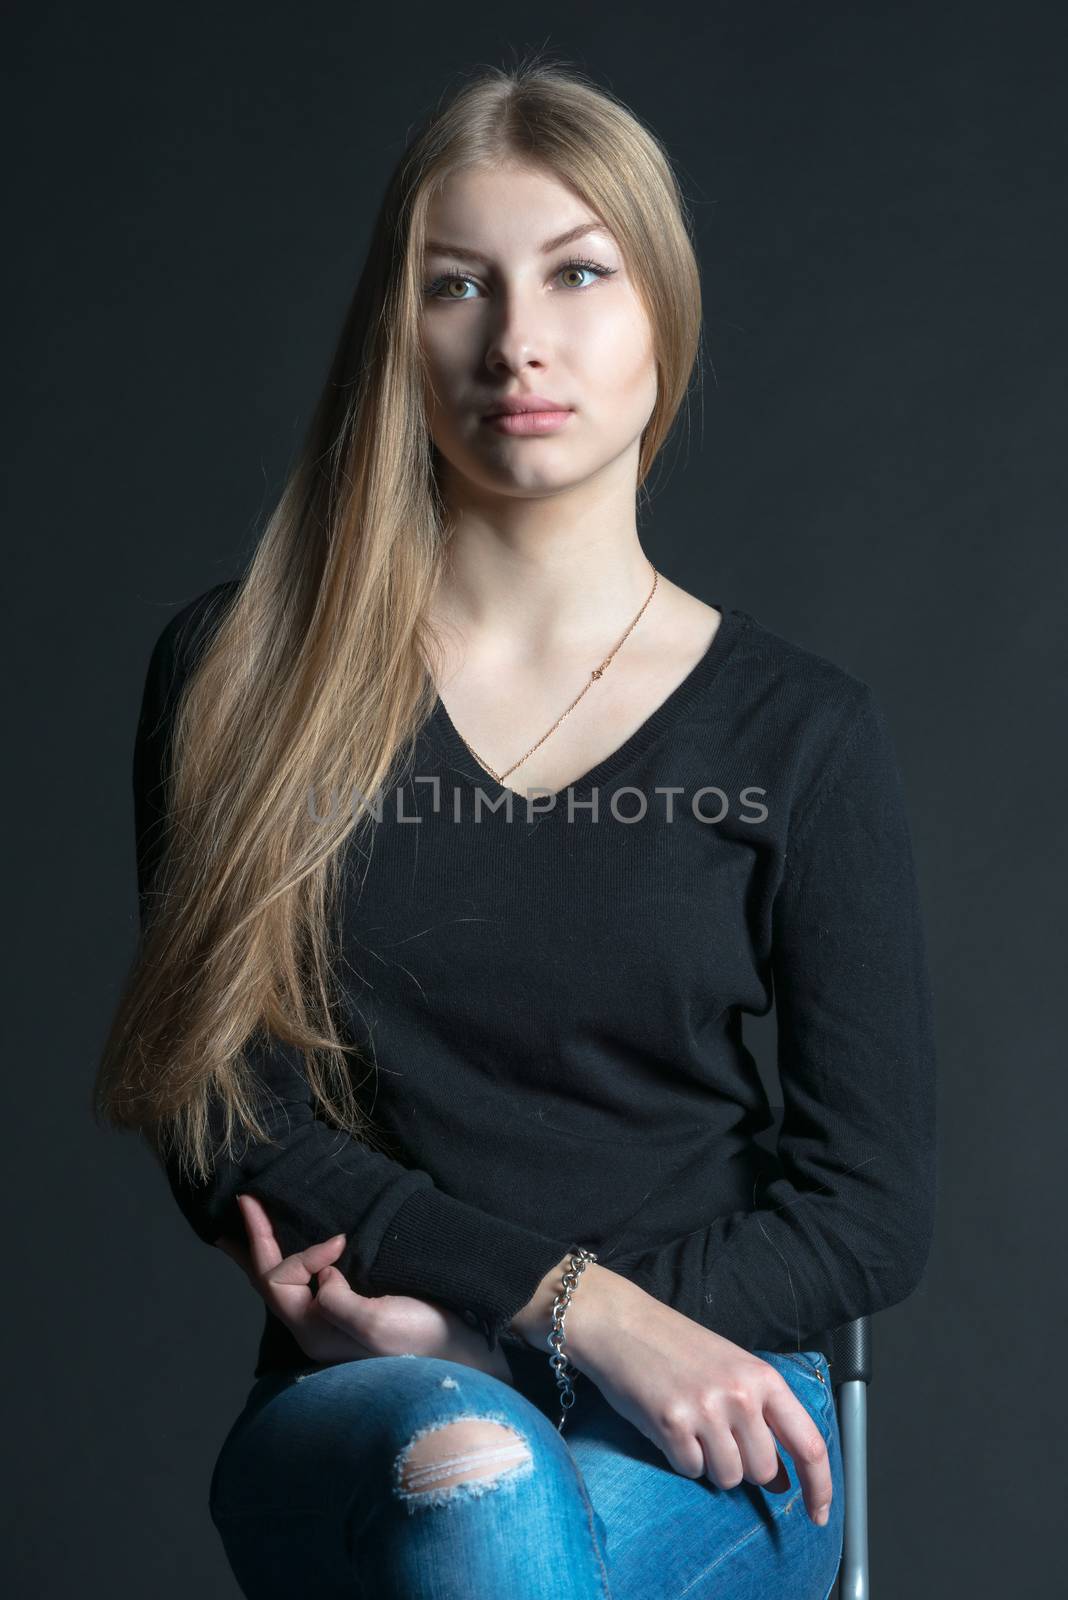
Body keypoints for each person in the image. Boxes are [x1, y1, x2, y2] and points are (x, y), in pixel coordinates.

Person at [96, 57, 937, 1600]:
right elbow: (226, 1117)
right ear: (395, 334)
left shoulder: (800, 733)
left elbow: (868, 1207)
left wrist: (535, 1324)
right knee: (479, 1485)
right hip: (376, 1394)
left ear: (660, 314)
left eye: (578, 272)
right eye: (457, 285)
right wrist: (557, 1316)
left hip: (716, 1404)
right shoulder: (241, 679)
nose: (519, 339)